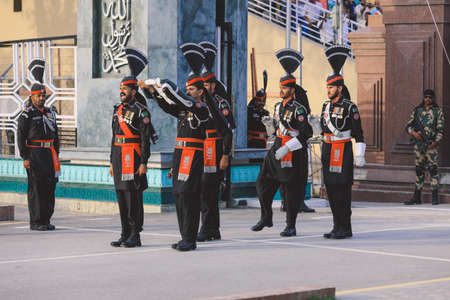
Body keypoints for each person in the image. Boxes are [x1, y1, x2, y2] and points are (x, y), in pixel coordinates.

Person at [140, 43, 229, 251]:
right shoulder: (184, 110)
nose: (188, 91)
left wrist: (157, 83)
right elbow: (167, 104)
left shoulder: (200, 108)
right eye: (187, 88)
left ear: (200, 91)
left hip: (194, 155)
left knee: (189, 194)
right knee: (179, 194)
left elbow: (173, 91)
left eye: (192, 89)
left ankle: (190, 238)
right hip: (181, 154)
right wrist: (152, 92)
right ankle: (184, 236)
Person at [251, 48, 313, 237]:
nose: (281, 90)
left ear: (292, 90)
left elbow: (306, 133)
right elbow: (278, 127)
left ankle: (290, 225)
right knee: (262, 183)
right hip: (276, 148)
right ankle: (266, 217)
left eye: (284, 88)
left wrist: (287, 147)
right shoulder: (278, 106)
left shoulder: (298, 109)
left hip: (291, 151)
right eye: (280, 87)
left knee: (291, 189)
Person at [109, 47, 154, 248]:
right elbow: (114, 137)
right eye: (121, 88)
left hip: (134, 158)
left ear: (133, 91)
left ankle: (135, 234)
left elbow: (145, 139)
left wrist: (144, 162)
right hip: (119, 158)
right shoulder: (117, 110)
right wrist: (111, 162)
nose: (122, 91)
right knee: (121, 196)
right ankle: (124, 232)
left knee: (133, 197)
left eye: (125, 89)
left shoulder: (141, 111)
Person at [320, 45, 365, 240]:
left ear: (339, 87)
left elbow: (358, 133)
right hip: (328, 150)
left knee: (342, 189)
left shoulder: (350, 107)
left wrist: (360, 155)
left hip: (343, 150)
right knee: (330, 188)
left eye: (331, 87)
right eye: (327, 87)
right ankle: (336, 225)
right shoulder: (325, 106)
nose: (328, 90)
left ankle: (345, 227)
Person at [197, 41, 235, 242]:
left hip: (216, 150)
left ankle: (208, 228)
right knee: (205, 190)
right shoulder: (199, 104)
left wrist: (226, 155)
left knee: (210, 189)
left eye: (209, 84)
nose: (206, 87)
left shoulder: (221, 104)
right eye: (203, 84)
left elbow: (229, 130)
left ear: (213, 85)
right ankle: (212, 229)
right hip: (203, 150)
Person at [17, 58, 60, 231]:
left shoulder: (51, 113)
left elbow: (55, 135)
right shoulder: (27, 114)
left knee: (50, 187)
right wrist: (25, 157)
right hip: (34, 154)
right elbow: (21, 136)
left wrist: (56, 153)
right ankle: (36, 221)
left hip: (49, 154)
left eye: (43, 95)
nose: (41, 98)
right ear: (32, 96)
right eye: (38, 95)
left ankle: (46, 219)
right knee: (36, 188)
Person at [404, 89, 444, 205]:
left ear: (433, 98)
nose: (428, 99)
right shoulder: (417, 111)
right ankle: (417, 197)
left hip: (431, 145)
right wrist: (413, 133)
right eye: (426, 97)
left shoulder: (437, 112)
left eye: (430, 97)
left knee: (433, 169)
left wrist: (435, 142)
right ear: (423, 98)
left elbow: (441, 129)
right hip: (419, 145)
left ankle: (435, 196)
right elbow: (408, 126)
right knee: (419, 170)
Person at [247, 70, 270, 150]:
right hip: (252, 141)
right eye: (259, 101)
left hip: (263, 142)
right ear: (255, 100)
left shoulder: (266, 113)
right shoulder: (250, 110)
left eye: (263, 101)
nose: (262, 103)